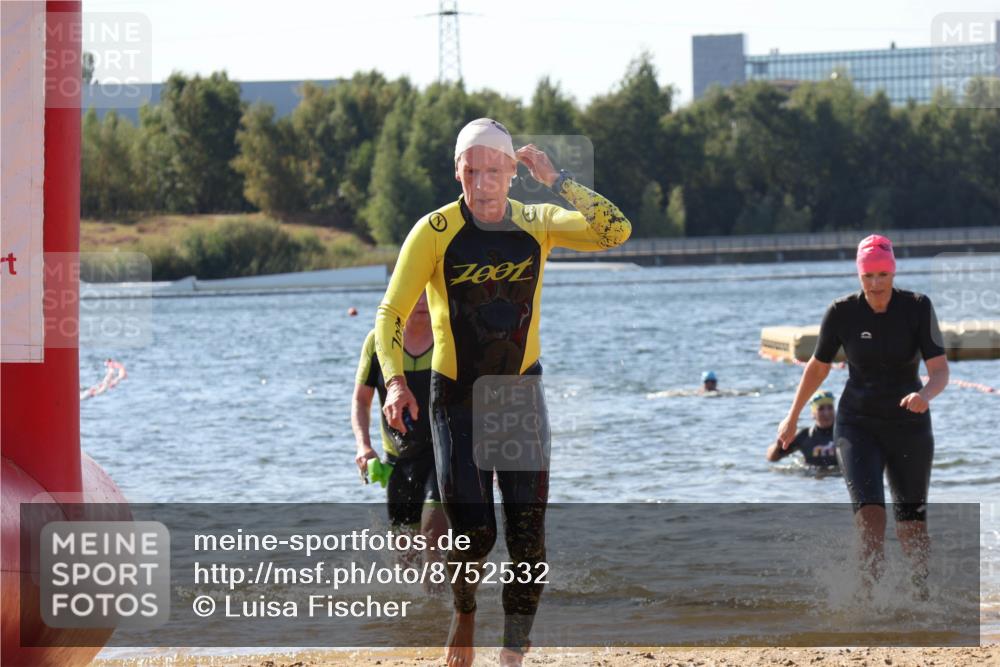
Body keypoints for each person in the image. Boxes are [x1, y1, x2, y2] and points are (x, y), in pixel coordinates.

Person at [373, 118, 631, 666]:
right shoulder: (435, 231)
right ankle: (464, 613)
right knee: (475, 533)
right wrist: (395, 381)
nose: (482, 183)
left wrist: (558, 180)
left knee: (529, 538)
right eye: (472, 171)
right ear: (458, 172)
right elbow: (391, 313)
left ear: (513, 173)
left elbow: (616, 231)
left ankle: (513, 652)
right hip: (457, 399)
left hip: (518, 398)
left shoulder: (538, 223)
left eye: (494, 171)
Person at [776, 234, 948, 592]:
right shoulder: (842, 312)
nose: (875, 284)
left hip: (909, 425)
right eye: (868, 276)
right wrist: (792, 417)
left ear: (893, 272)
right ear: (859, 276)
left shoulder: (918, 307)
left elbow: (940, 370)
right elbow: (817, 367)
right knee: (870, 520)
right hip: (857, 425)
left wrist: (925, 394)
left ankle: (921, 596)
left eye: (882, 275)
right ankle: (866, 603)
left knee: (911, 523)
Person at [352, 292, 447, 559]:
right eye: (412, 294)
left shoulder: (447, 338)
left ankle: (443, 598)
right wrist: (363, 445)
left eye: (426, 294)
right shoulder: (377, 341)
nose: (419, 302)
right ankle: (421, 601)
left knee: (433, 533)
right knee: (405, 559)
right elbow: (361, 401)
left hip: (441, 457)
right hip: (398, 461)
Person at [767, 390, 838, 468]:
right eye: (821, 409)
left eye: (830, 408)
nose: (826, 413)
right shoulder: (804, 436)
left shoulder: (843, 433)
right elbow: (772, 458)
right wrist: (778, 445)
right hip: (814, 477)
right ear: (813, 413)